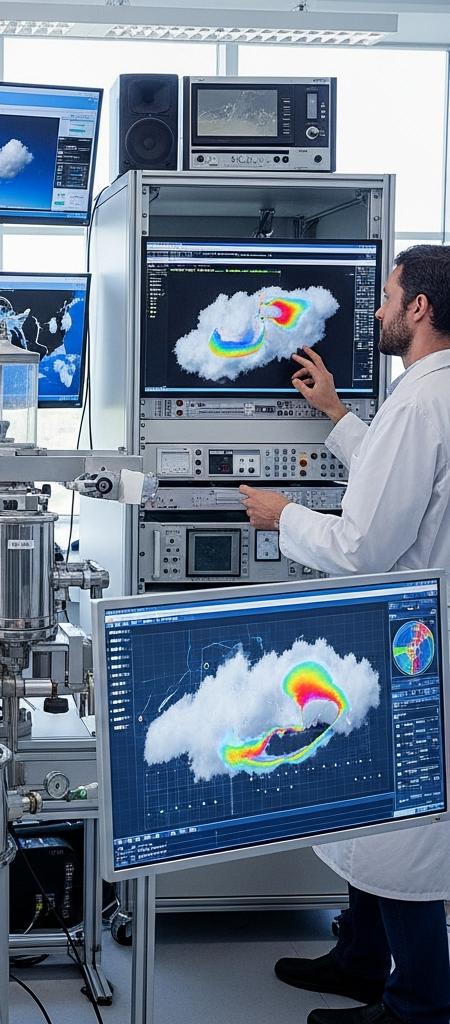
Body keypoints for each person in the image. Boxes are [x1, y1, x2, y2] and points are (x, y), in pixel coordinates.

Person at [239, 244, 450, 1024]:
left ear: (419, 308)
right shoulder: (429, 398)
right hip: (410, 633)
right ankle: (362, 958)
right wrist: (335, 414)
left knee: (404, 829)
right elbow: (407, 488)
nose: (380, 308)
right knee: (369, 800)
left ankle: (418, 1002)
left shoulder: (424, 403)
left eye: (389, 294)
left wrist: (281, 516)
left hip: (416, 642)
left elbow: (366, 543)